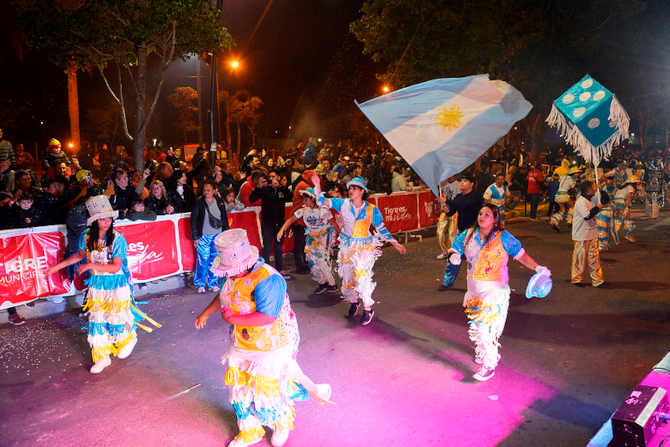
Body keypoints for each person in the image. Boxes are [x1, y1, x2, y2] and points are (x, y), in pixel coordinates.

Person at [194, 229, 332, 447]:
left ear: (244, 264)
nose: (228, 274)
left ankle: (280, 423)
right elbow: (223, 295)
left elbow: (267, 317)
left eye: (232, 269)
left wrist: (234, 318)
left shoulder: (268, 279)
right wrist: (206, 313)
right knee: (239, 387)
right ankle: (249, 429)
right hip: (242, 341)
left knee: (269, 387)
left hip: (272, 344)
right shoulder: (231, 276)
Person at [46, 195, 160, 374]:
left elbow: (115, 267)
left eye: (108, 218)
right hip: (97, 286)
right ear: (94, 221)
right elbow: (79, 256)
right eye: (101, 219)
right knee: (97, 319)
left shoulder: (117, 239)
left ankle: (128, 338)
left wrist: (90, 265)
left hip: (117, 285)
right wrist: (56, 267)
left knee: (116, 317)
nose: (106, 222)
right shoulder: (86, 235)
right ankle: (102, 357)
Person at [447, 203, 550, 381]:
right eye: (480, 213)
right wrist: (454, 255)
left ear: (495, 219)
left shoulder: (504, 238)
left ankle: (489, 364)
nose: (482, 217)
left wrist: (538, 267)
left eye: (487, 214)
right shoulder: (468, 234)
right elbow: (455, 247)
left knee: (483, 328)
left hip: (494, 294)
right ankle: (483, 352)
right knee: (479, 327)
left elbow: (522, 256)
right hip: (474, 293)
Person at [312, 175, 406, 325]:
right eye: (350, 188)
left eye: (355, 188)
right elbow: (321, 201)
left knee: (362, 277)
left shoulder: (371, 209)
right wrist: (317, 186)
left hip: (364, 248)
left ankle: (368, 309)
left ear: (362, 191)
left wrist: (395, 243)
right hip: (347, 247)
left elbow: (381, 228)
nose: (351, 191)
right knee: (348, 278)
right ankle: (355, 302)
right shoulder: (342, 203)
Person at [277, 187, 337, 294]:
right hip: (311, 236)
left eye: (306, 199)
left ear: (313, 199)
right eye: (303, 199)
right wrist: (281, 230)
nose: (304, 202)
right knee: (311, 261)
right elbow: (291, 220)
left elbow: (333, 222)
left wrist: (341, 235)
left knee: (321, 259)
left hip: (324, 236)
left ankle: (332, 284)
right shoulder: (303, 210)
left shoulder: (323, 210)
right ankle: (322, 283)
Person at [438, 174, 484, 290]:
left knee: (475, 260)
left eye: (465, 181)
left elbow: (466, 204)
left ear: (472, 184)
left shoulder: (477, 197)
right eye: (461, 181)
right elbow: (451, 212)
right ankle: (447, 283)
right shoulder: (458, 197)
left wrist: (448, 201)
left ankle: (480, 283)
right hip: (461, 232)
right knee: (453, 256)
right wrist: (446, 207)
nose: (461, 183)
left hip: (475, 233)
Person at [249, 169, 291, 277]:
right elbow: (252, 199)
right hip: (267, 223)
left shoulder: (282, 190)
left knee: (278, 247)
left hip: (280, 224)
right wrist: (260, 187)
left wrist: (282, 186)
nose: (272, 179)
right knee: (267, 247)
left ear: (278, 178)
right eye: (270, 177)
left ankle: (279, 269)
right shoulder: (264, 190)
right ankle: (265, 271)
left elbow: (290, 196)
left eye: (274, 177)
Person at [191, 180, 230, 293]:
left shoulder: (219, 202)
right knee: (203, 261)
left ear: (214, 191)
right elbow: (194, 221)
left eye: (209, 190)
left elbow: (224, 218)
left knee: (215, 261)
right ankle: (200, 284)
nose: (206, 192)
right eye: (205, 190)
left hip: (217, 236)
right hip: (203, 237)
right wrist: (195, 237)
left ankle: (213, 283)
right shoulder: (199, 203)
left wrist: (226, 233)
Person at [571, 181, 606, 287]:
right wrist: (597, 208)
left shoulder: (590, 200)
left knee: (594, 258)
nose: (595, 189)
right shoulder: (580, 201)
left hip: (592, 233)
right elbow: (587, 216)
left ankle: (597, 280)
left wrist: (601, 189)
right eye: (593, 188)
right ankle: (576, 279)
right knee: (579, 258)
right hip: (581, 235)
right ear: (588, 190)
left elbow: (605, 199)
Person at [291, 170, 317, 274]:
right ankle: (300, 266)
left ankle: (303, 264)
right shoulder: (304, 186)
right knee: (300, 244)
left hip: (301, 218)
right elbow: (316, 197)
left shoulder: (303, 184)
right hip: (299, 219)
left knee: (301, 243)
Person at [550, 166, 580, 232]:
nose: (578, 174)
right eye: (577, 173)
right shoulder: (573, 180)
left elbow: (556, 177)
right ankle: (569, 220)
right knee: (572, 206)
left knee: (562, 210)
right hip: (564, 195)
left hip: (557, 195)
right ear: (574, 173)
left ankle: (554, 221)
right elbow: (573, 189)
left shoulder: (563, 177)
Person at [613, 175, 640, 244]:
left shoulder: (623, 187)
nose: (638, 184)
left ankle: (627, 235)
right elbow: (628, 198)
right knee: (624, 220)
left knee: (622, 219)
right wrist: (627, 207)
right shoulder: (630, 188)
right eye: (637, 183)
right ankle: (621, 234)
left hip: (617, 203)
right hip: (622, 204)